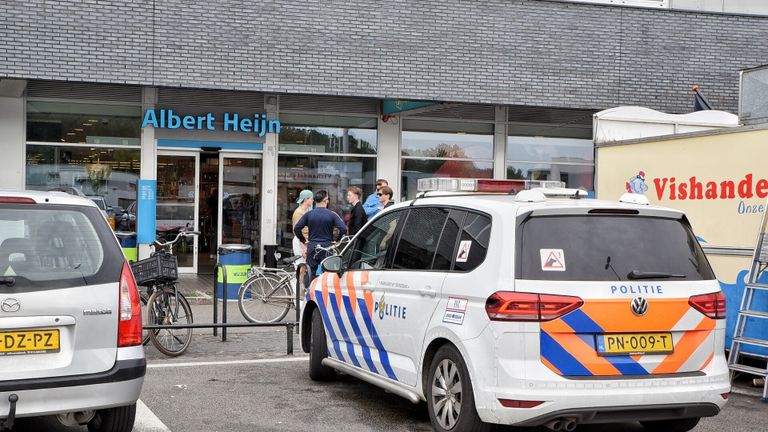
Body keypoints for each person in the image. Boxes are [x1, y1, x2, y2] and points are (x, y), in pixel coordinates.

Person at [293, 190, 347, 280]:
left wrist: (303, 240)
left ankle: (310, 291)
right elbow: (343, 229)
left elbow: (297, 228)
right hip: (327, 247)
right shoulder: (332, 215)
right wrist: (337, 240)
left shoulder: (309, 214)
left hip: (312, 247)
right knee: (328, 273)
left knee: (310, 273)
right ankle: (324, 292)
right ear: (326, 200)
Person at [291, 189, 314, 266]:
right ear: (305, 199)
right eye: (311, 198)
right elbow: (298, 231)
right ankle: (299, 278)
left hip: (305, 241)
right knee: (301, 265)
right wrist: (303, 247)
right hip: (300, 241)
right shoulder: (299, 212)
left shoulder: (305, 211)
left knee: (304, 266)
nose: (313, 200)